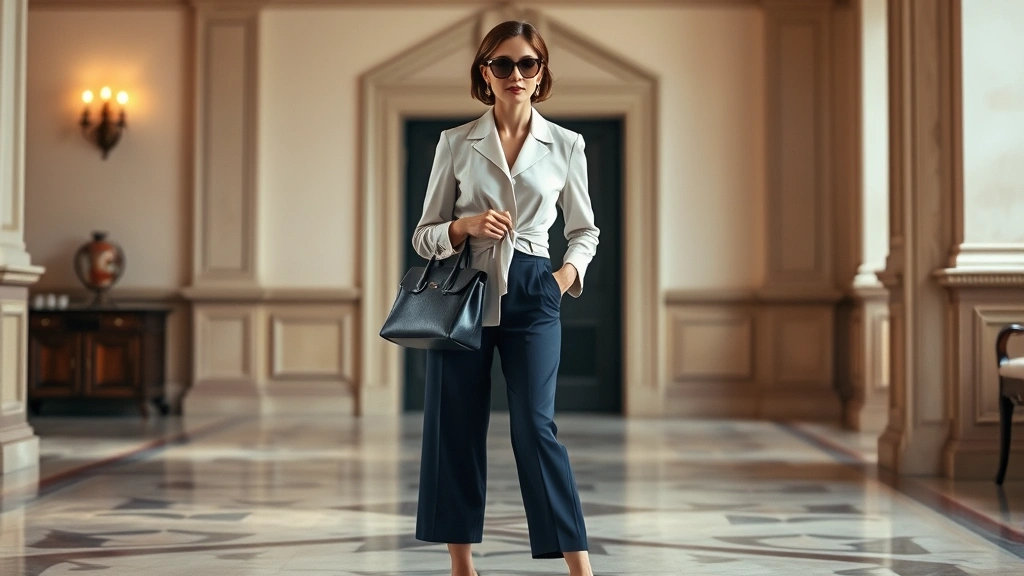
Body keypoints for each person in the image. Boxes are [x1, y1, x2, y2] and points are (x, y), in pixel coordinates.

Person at [410, 19, 600, 576]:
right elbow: (424, 234)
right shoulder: (455, 143)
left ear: (540, 74)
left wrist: (564, 277)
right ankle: (461, 565)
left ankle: (579, 567)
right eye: (502, 64)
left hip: (536, 289)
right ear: (484, 73)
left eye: (527, 64)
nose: (515, 74)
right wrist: (464, 227)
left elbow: (585, 229)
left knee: (535, 429)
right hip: (464, 292)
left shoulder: (567, 144)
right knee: (455, 425)